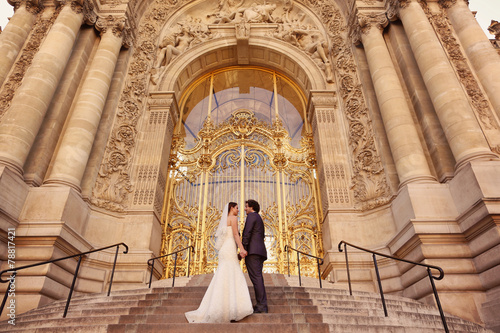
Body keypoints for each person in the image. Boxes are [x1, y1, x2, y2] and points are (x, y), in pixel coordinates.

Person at [185, 202, 253, 323]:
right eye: (237, 208)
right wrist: (242, 249)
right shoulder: (233, 218)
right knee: (232, 273)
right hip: (230, 248)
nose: (238, 210)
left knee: (223, 275)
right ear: (231, 208)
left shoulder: (225, 220)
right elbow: (236, 235)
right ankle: (231, 308)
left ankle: (219, 307)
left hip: (224, 250)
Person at [242, 199, 268, 313]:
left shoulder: (252, 216)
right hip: (259, 251)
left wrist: (243, 248)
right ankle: (262, 304)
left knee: (256, 278)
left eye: (246, 206)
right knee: (258, 278)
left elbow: (247, 233)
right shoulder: (258, 218)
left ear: (251, 207)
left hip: (253, 252)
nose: (244, 209)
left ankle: (262, 305)